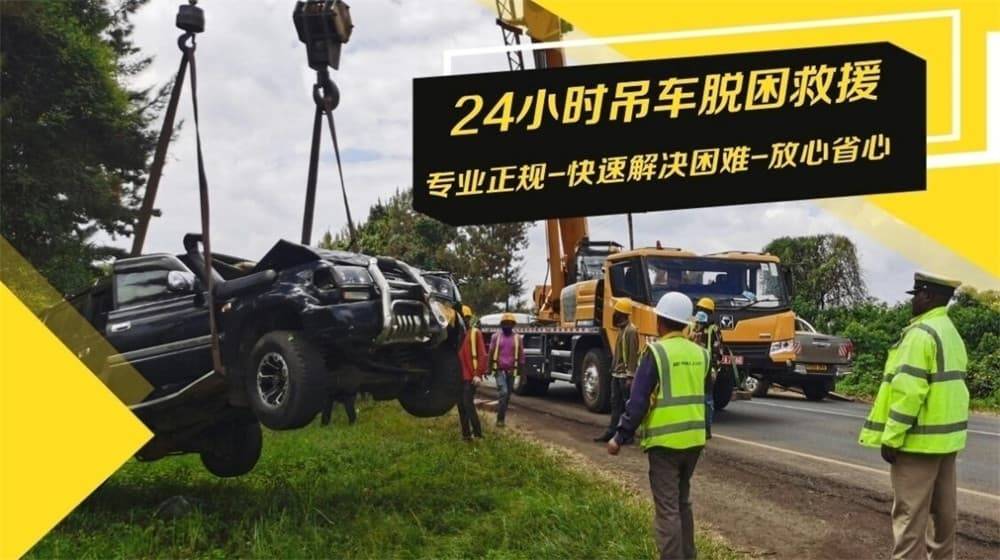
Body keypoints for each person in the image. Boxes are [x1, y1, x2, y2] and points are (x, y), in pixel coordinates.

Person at [859, 272, 968, 560]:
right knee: (944, 518)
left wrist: (892, 437)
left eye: (916, 295)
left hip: (918, 444)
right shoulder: (950, 332)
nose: (913, 301)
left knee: (910, 519)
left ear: (928, 296)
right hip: (946, 443)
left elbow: (908, 393)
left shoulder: (921, 334)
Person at [608, 292, 709, 560]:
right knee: (682, 502)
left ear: (661, 321)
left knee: (667, 510)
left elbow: (638, 401)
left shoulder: (656, 353)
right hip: (695, 441)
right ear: (685, 323)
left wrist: (620, 436)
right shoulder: (701, 354)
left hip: (665, 444)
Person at [594, 297, 640, 442]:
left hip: (624, 376)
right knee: (615, 404)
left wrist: (630, 376)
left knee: (627, 406)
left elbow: (632, 354)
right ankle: (612, 431)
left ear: (622, 314)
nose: (614, 314)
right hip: (617, 374)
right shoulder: (622, 330)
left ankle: (627, 435)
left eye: (616, 312)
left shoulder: (631, 331)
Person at [690, 297, 720, 439]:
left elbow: (718, 351)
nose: (702, 313)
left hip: (706, 367)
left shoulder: (713, 329)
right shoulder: (692, 326)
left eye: (704, 311)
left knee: (707, 400)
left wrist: (714, 368)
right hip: (694, 365)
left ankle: (706, 430)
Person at [488, 312, 524, 427]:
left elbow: (522, 357)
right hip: (499, 370)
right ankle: (500, 420)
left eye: (509, 323)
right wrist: (488, 369)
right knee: (503, 392)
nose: (507, 326)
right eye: (505, 323)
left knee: (507, 396)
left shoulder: (518, 338)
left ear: (513, 325)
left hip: (512, 371)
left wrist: (523, 375)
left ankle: (502, 413)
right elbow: (490, 353)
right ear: (501, 325)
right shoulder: (496, 337)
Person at [457, 305, 487, 440]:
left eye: (466, 318)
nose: (464, 320)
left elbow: (483, 355)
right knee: (461, 406)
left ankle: (478, 434)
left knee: (467, 403)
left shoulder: (475, 333)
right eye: (462, 318)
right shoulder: (456, 335)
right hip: (458, 377)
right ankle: (466, 435)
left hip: (471, 376)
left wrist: (478, 374)